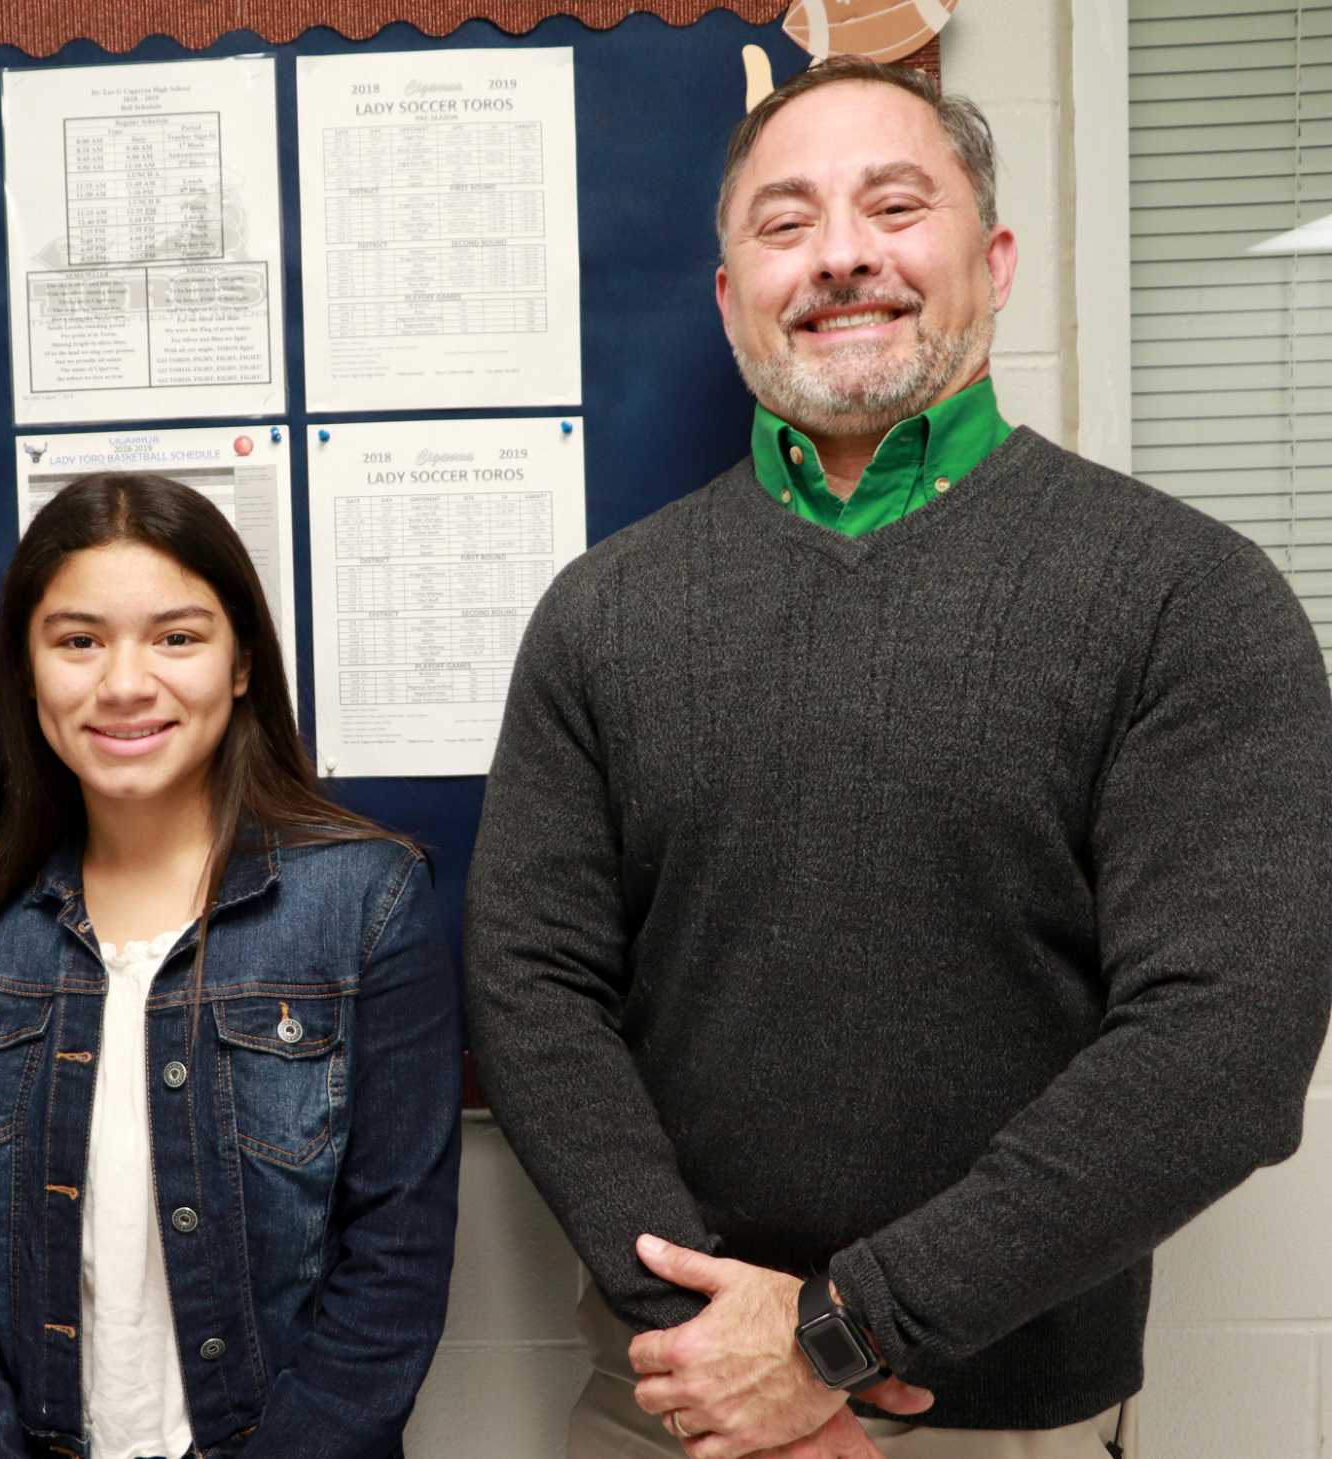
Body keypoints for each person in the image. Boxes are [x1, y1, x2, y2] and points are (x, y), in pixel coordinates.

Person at [465, 56, 1332, 1459]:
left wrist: (841, 1333)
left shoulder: (1189, 594)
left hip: (998, 1413)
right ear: (729, 289)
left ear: (992, 260)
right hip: (672, 1397)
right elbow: (532, 986)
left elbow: (1223, 1045)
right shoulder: (604, 614)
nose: (844, 255)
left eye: (893, 205)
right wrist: (717, 1345)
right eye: (785, 221)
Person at [0, 473, 461, 1459]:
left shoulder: (366, 903)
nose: (125, 682)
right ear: (28, 668)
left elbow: (391, 1275)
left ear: (239, 666)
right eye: (78, 640)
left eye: (175, 638)